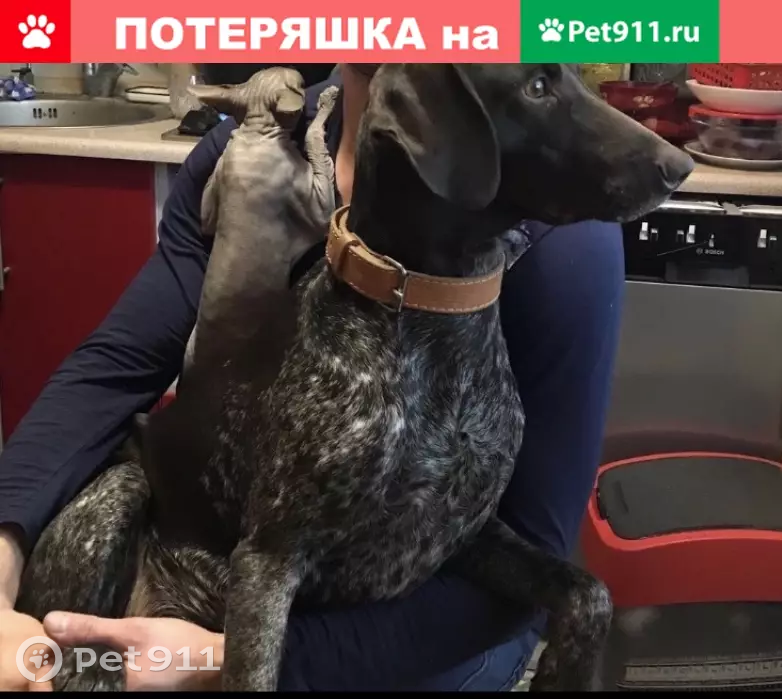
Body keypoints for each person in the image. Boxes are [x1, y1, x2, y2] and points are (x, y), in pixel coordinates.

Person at [0, 64, 625, 691]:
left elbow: (529, 550)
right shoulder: (252, 145)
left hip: (425, 625)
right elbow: (114, 369)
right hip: (217, 563)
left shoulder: (560, 240)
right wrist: (2, 551)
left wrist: (217, 661)